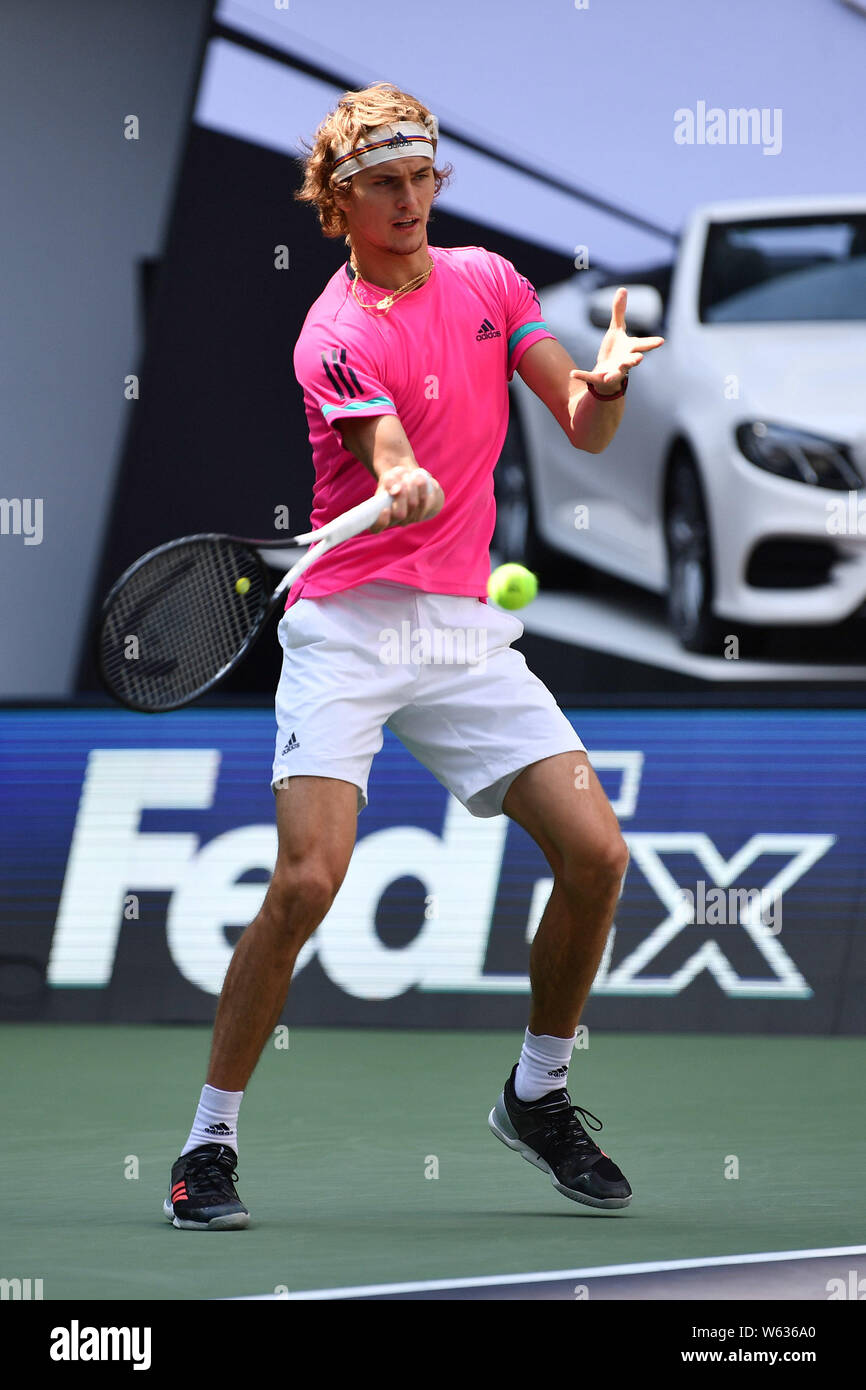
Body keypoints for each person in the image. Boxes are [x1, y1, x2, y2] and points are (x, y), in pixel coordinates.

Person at [164, 82, 664, 1230]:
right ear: (337, 201)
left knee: (595, 853)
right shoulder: (333, 331)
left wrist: (606, 385)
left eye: (421, 178)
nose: (409, 201)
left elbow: (579, 423)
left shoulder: (491, 283)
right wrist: (396, 477)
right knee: (306, 881)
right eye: (382, 184)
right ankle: (208, 1143)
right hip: (347, 627)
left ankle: (537, 1094)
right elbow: (387, 450)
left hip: (461, 631)